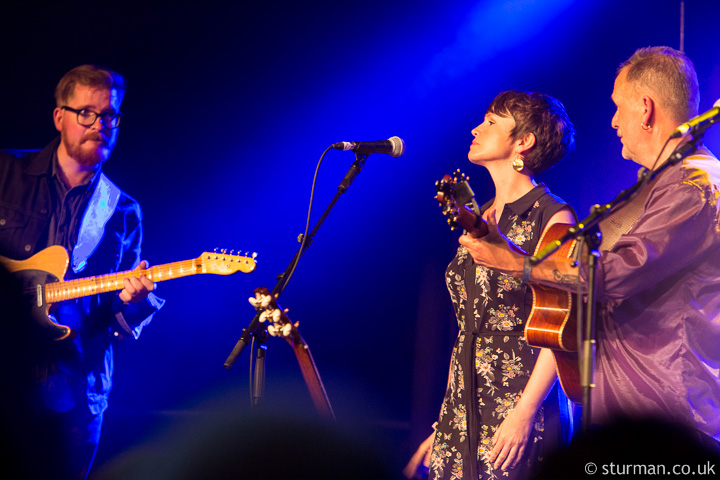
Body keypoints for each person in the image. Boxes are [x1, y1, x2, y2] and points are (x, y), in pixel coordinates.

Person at [458, 47, 720, 443]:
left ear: (645, 109)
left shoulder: (691, 187)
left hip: (667, 416)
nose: (613, 121)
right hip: (635, 411)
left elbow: (613, 275)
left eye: (618, 107)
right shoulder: (665, 185)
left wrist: (517, 262)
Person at [0, 65, 164, 479]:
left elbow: (116, 326)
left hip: (75, 391)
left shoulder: (124, 210)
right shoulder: (4, 172)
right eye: (87, 113)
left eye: (110, 115)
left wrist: (134, 303)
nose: (100, 125)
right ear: (60, 117)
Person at [405, 90, 577, 480]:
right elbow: (471, 328)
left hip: (519, 400)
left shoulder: (554, 215)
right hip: (464, 403)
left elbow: (562, 321)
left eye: (491, 123)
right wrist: (447, 419)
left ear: (524, 141)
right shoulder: (480, 215)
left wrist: (525, 412)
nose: (475, 129)